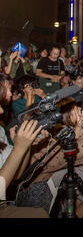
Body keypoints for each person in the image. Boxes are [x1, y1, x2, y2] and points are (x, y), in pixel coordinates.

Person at [0, 73, 48, 218]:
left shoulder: (1, 130)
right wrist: (20, 147)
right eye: (6, 89)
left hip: (5, 198)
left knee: (41, 213)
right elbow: (25, 119)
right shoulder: (17, 103)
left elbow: (18, 174)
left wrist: (26, 146)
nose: (10, 94)